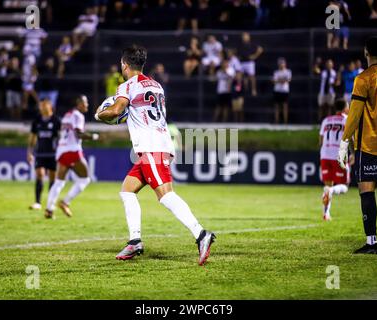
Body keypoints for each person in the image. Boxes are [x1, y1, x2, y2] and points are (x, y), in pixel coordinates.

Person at [94, 45, 215, 266]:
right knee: (127, 190)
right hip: (158, 144)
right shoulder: (157, 85)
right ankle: (135, 241)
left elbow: (115, 111)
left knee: (166, 195)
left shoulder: (127, 86)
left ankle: (201, 234)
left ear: (125, 65)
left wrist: (100, 114)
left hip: (151, 147)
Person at [338, 36, 377, 254]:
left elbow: (354, 114)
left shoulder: (363, 79)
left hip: (370, 144)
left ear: (366, 53)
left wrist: (344, 142)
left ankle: (372, 243)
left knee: (367, 190)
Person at [45, 95, 99, 219]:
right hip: (72, 150)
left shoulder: (67, 115)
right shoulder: (78, 116)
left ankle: (49, 209)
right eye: (85, 103)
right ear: (79, 103)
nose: (87, 105)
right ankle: (65, 202)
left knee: (59, 182)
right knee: (85, 179)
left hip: (62, 150)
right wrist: (94, 137)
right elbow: (78, 134)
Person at [320, 99, 351, 221]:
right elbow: (350, 138)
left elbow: (320, 141)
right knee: (345, 186)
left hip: (325, 154)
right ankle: (331, 190)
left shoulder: (326, 120)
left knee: (328, 184)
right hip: (339, 155)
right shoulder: (346, 120)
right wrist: (352, 153)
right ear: (345, 108)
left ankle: (326, 214)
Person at [27, 99, 61, 210]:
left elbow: (60, 138)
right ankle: (37, 202)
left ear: (49, 106)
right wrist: (30, 152)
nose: (41, 108)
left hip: (53, 154)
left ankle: (50, 203)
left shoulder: (56, 121)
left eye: (43, 106)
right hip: (40, 153)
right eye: (40, 106)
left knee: (52, 178)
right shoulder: (37, 120)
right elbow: (32, 137)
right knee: (40, 175)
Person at [237, 32, 263, 97]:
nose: (244, 37)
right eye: (243, 36)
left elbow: (260, 49)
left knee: (252, 76)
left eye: (246, 36)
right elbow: (236, 52)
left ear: (248, 37)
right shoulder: (240, 45)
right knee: (238, 76)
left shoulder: (252, 44)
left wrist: (255, 56)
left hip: (249, 62)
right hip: (241, 62)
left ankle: (253, 90)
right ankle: (238, 89)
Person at [272, 57, 292, 124]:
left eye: (282, 63)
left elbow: (289, 80)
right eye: (280, 63)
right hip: (277, 91)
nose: (281, 65)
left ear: (285, 64)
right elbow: (274, 81)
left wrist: (279, 80)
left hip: (285, 91)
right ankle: (276, 121)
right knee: (277, 107)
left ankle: (285, 122)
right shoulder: (276, 72)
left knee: (285, 106)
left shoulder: (288, 71)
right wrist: (282, 80)